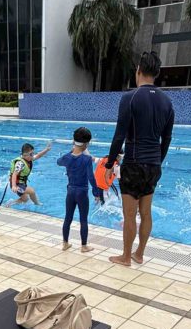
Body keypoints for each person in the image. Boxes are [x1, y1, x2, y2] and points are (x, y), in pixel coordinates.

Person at [106, 51, 174, 266]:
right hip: (154, 164)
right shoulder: (167, 102)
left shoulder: (130, 97)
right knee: (146, 212)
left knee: (129, 215)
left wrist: (109, 164)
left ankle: (126, 256)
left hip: (134, 163)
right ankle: (139, 254)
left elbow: (120, 134)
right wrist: (157, 161)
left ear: (139, 70)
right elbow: (167, 138)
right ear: (157, 73)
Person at [57, 127, 102, 252]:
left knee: (68, 218)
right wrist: (96, 193)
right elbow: (91, 178)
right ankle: (83, 246)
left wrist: (70, 152)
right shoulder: (86, 159)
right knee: (83, 219)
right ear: (87, 144)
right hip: (82, 192)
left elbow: (58, 162)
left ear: (73, 141)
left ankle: (65, 243)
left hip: (70, 191)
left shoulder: (67, 158)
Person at [9, 140, 52, 206]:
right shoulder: (20, 163)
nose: (33, 155)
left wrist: (46, 149)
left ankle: (10, 204)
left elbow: (38, 156)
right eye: (31, 154)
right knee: (32, 191)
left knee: (25, 199)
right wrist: (14, 186)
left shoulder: (29, 158)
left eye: (33, 153)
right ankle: (37, 204)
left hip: (21, 184)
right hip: (17, 185)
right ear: (25, 155)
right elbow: (14, 174)